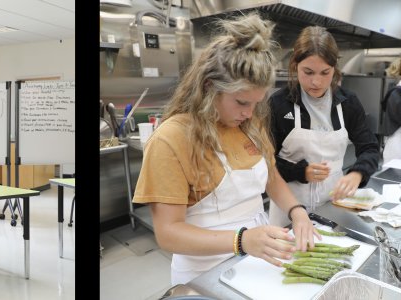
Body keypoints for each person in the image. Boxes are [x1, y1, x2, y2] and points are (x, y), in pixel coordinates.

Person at [132, 13, 319, 285]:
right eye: (241, 102)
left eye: (256, 103)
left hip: (255, 260)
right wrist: (242, 240)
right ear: (209, 87)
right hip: (204, 275)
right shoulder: (172, 139)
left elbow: (271, 177)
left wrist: (297, 211)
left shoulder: (248, 125)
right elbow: (168, 233)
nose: (249, 112)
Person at [267, 26, 380, 226]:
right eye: (308, 72)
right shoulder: (279, 103)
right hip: (289, 206)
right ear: (295, 65)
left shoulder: (348, 102)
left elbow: (370, 147)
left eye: (325, 73)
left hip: (333, 203)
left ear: (335, 69)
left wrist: (357, 173)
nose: (316, 82)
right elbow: (266, 162)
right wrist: (301, 172)